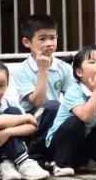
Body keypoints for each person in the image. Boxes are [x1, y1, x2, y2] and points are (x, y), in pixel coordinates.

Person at [46, 46, 96, 177]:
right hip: (59, 145)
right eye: (92, 62)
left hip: (84, 143)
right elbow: (85, 116)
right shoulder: (74, 90)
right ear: (79, 72)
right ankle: (60, 164)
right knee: (74, 121)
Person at [0, 61, 49, 180]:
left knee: (13, 111)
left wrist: (8, 132)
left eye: (2, 85)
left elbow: (32, 126)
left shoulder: (9, 102)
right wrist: (25, 117)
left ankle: (10, 164)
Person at [9, 14, 73, 156]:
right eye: (42, 39)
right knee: (52, 106)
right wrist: (42, 70)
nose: (49, 43)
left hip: (55, 115)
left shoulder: (64, 67)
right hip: (31, 119)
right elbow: (37, 101)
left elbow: (71, 96)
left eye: (52, 37)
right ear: (27, 42)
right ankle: (36, 155)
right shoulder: (21, 70)